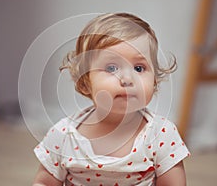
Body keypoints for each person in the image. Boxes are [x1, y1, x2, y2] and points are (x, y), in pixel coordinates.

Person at [32, 13, 190, 186]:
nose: (128, 78)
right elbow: (45, 183)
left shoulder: (161, 134)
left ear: (154, 80)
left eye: (139, 68)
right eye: (112, 67)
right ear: (85, 82)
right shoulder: (63, 136)